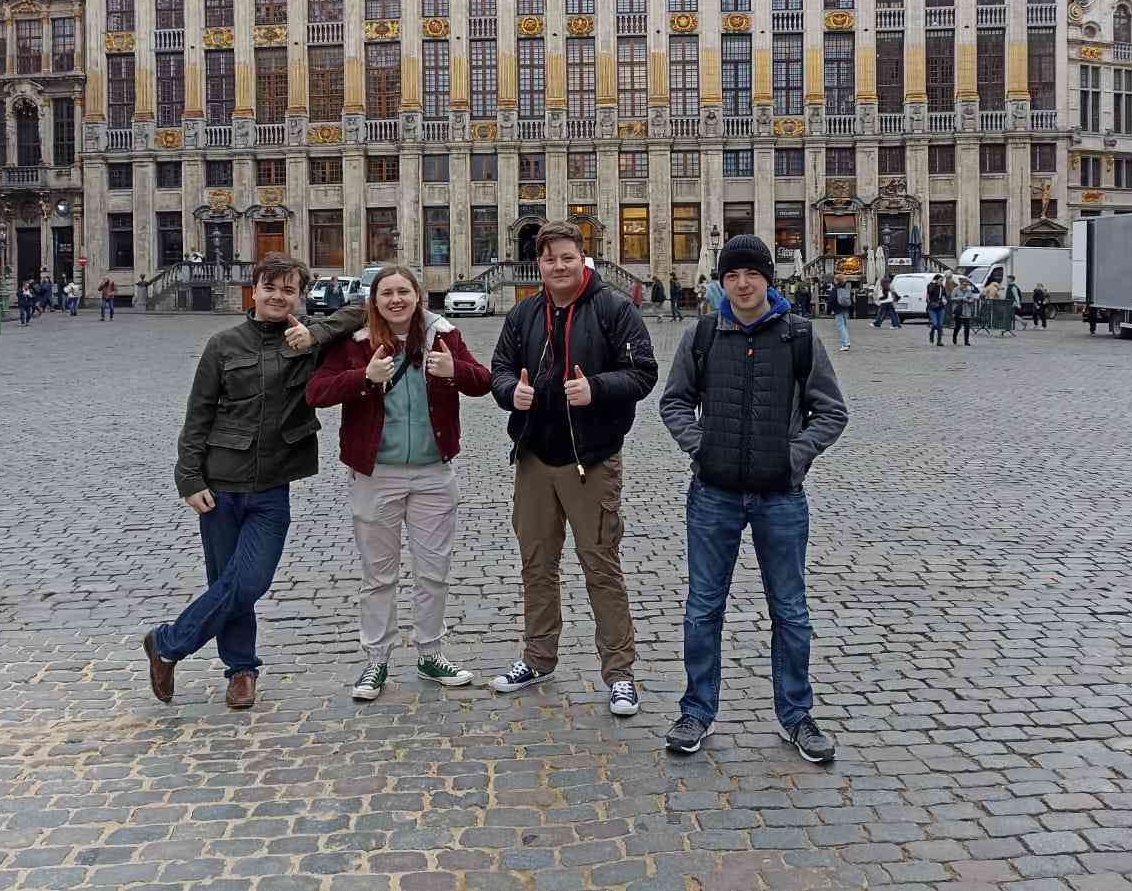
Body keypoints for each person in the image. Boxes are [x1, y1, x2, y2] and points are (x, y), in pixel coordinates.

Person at [142, 254, 365, 710]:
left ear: (300, 297)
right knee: (225, 579)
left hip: (273, 484)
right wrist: (189, 478)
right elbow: (198, 414)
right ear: (255, 290)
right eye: (270, 287)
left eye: (288, 290)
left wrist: (315, 333)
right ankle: (241, 670)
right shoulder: (223, 345)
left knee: (250, 581)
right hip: (220, 483)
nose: (278, 297)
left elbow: (363, 310)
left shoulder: (307, 340)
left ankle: (167, 642)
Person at [658, 234, 848, 763]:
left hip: (779, 496)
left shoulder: (798, 337)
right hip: (713, 494)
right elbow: (674, 403)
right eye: (733, 275)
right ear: (722, 282)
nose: (742, 284)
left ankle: (796, 714)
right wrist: (705, 448)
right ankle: (697, 709)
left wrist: (794, 456)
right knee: (702, 608)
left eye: (752, 274)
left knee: (790, 610)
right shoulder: (701, 336)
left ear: (769, 279)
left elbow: (830, 411)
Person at [488, 220, 658, 716]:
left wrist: (597, 389)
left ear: (582, 257)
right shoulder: (523, 313)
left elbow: (643, 372)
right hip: (535, 457)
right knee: (536, 565)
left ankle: (620, 674)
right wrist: (509, 394)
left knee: (600, 566)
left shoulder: (613, 308)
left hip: (592, 458)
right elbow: (500, 369)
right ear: (538, 263)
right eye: (549, 259)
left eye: (567, 257)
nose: (558, 266)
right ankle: (538, 657)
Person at [306, 265, 490, 700]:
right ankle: (376, 661)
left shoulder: (443, 336)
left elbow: (482, 381)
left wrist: (454, 371)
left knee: (434, 572)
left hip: (432, 472)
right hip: (376, 473)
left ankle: (430, 653)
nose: (395, 300)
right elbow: (317, 392)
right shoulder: (356, 343)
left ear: (417, 296)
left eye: (403, 291)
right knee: (378, 576)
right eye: (386, 292)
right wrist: (363, 379)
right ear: (375, 300)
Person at [950, 278, 976, 346]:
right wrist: (960, 298)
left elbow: (972, 299)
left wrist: (969, 301)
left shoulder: (969, 291)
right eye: (964, 284)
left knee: (967, 327)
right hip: (958, 311)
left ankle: (966, 341)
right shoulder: (956, 289)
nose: (965, 286)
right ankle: (954, 336)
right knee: (958, 326)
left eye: (966, 285)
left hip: (967, 311)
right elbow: (952, 298)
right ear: (960, 284)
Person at [925, 274, 947, 346]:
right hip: (932, 307)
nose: (942, 282)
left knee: (940, 324)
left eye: (942, 280)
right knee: (935, 324)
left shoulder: (942, 287)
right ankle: (931, 333)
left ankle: (939, 341)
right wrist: (935, 284)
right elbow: (930, 292)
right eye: (940, 280)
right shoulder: (930, 285)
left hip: (941, 307)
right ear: (936, 280)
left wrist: (945, 300)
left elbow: (944, 295)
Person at [831, 277, 851, 352]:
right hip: (846, 309)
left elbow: (831, 299)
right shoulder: (845, 288)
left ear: (837, 281)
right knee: (844, 326)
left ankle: (845, 344)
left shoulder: (835, 289)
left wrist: (830, 309)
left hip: (838, 309)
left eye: (834, 279)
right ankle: (846, 342)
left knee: (840, 326)